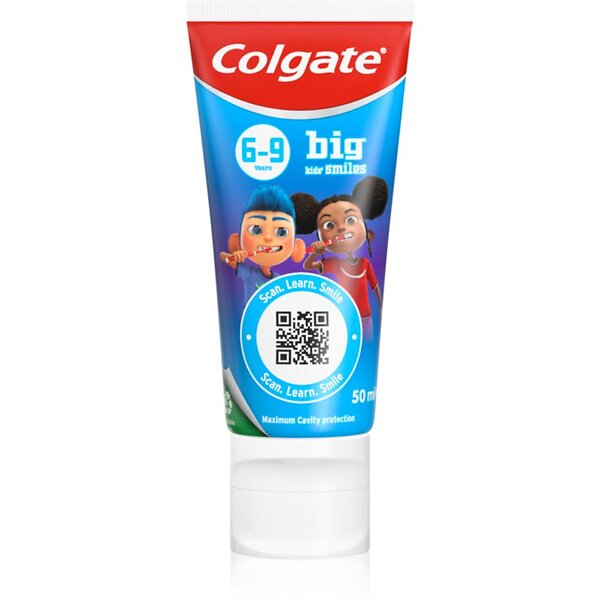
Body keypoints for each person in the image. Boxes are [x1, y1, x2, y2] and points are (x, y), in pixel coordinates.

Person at [292, 176, 388, 339]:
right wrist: (315, 252)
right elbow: (307, 266)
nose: (342, 228)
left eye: (350, 220)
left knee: (367, 345)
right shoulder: (335, 263)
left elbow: (375, 287)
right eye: (329, 225)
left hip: (366, 316)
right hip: (340, 318)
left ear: (367, 231)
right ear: (319, 236)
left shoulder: (365, 263)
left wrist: (381, 307)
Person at [220, 186, 306, 302]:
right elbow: (223, 257)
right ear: (237, 243)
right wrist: (234, 256)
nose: (268, 237)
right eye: (256, 230)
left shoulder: (278, 280)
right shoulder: (249, 274)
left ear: (297, 248)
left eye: (281, 232)